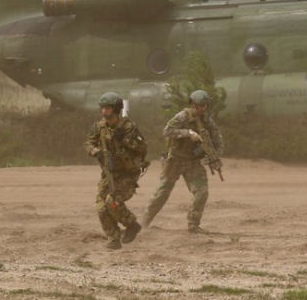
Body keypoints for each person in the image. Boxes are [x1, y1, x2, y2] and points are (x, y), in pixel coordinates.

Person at [142, 89, 223, 233]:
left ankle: (193, 224)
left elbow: (217, 140)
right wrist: (188, 133)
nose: (201, 109)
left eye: (204, 106)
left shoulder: (207, 121)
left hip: (193, 162)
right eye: (198, 106)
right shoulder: (182, 117)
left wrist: (213, 156)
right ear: (192, 105)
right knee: (162, 193)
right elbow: (167, 131)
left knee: (201, 192)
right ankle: (144, 223)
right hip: (175, 160)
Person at [84, 92, 149, 249]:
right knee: (101, 207)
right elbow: (88, 143)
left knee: (112, 202)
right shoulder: (99, 127)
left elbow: (142, 148)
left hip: (127, 174)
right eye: (103, 108)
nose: (104, 112)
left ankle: (131, 225)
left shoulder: (129, 127)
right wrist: (95, 151)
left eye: (108, 108)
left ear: (116, 109)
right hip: (109, 173)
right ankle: (113, 238)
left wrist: (125, 140)